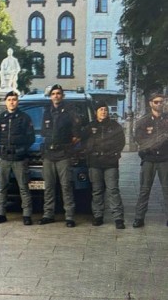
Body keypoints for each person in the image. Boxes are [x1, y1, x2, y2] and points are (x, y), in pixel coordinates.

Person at [40, 84, 81, 227]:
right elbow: (44, 133)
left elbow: (76, 134)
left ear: (62, 96)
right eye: (53, 93)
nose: (56, 96)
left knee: (66, 186)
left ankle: (69, 217)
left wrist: (68, 147)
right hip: (49, 154)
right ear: (50, 96)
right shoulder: (47, 111)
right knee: (49, 186)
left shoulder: (69, 111)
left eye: (58, 93)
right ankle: (48, 214)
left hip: (63, 154)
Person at [0, 91, 35, 225]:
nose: (12, 102)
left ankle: (27, 215)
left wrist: (22, 149)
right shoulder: (1, 118)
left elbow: (31, 137)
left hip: (19, 158)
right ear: (6, 102)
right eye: (9, 99)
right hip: (4, 157)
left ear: (17, 102)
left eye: (14, 99)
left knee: (23, 187)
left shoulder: (24, 118)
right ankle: (0, 214)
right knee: (2, 187)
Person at [83, 101, 126, 229]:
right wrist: (89, 151)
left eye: (105, 110)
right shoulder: (90, 126)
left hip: (110, 162)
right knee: (97, 191)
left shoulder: (114, 126)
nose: (103, 112)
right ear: (96, 112)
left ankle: (118, 218)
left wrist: (113, 154)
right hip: (95, 162)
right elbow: (83, 140)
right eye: (101, 109)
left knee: (113, 190)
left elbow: (121, 142)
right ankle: (98, 216)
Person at [132, 93, 168, 228]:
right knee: (144, 190)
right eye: (157, 102)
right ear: (150, 103)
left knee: (167, 190)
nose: (159, 104)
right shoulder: (144, 121)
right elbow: (139, 139)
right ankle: (139, 218)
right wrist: (150, 146)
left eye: (161, 102)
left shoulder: (167, 119)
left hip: (165, 159)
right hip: (149, 159)